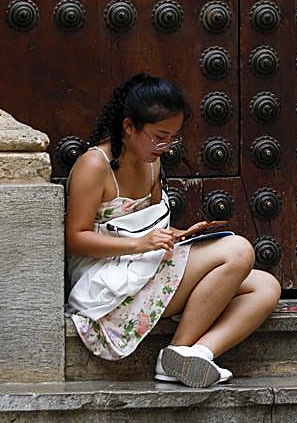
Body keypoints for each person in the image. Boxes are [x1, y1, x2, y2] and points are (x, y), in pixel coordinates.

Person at [65, 73, 279, 387]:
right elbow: (75, 238)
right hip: (106, 285)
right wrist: (141, 244)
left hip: (142, 266)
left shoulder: (151, 161)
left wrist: (176, 235)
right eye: (158, 136)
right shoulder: (93, 165)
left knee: (265, 286)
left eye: (172, 138)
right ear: (128, 126)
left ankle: (197, 353)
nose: (165, 146)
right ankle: (174, 353)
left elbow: (147, 226)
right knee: (239, 251)